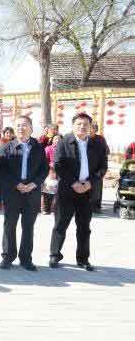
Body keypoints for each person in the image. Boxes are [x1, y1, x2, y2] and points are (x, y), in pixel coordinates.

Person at [49, 113, 108, 271]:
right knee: (60, 224)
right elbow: (58, 165)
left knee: (84, 227)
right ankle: (55, 255)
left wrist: (90, 183)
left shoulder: (97, 144)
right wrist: (73, 183)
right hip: (67, 190)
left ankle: (83, 259)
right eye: (79, 124)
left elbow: (103, 167)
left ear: (90, 126)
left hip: (87, 191)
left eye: (85, 124)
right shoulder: (63, 142)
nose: (82, 127)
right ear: (73, 125)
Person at [0, 116, 48, 271]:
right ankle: (8, 256)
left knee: (28, 226)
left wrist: (34, 184)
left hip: (32, 193)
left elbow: (44, 169)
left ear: (31, 128)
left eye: (24, 125)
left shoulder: (38, 147)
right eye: (18, 125)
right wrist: (16, 184)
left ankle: (26, 259)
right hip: (12, 192)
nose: (21, 128)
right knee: (9, 225)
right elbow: (1, 170)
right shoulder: (6, 147)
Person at [89, 122, 109, 213]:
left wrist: (103, 169)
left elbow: (105, 152)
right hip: (87, 167)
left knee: (97, 187)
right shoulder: (84, 138)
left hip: (98, 166)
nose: (90, 130)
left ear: (95, 130)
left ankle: (96, 206)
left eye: (92, 128)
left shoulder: (100, 139)